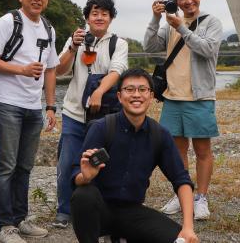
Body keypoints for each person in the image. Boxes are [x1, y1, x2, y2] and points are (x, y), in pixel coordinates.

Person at [70, 68, 199, 243]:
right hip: (99, 210)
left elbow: (182, 180)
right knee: (83, 195)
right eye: (129, 90)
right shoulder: (102, 128)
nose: (136, 95)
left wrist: (188, 228)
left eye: (142, 90)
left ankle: (120, 238)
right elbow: (76, 176)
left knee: (181, 240)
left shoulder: (159, 134)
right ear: (119, 96)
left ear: (152, 96)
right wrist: (85, 177)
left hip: (132, 212)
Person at [0, 0, 59, 243]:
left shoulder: (49, 28)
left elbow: (51, 70)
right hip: (6, 101)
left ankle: (20, 218)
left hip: (33, 106)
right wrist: (22, 69)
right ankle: (3, 227)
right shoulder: (7, 22)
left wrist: (50, 106)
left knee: (25, 166)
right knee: (6, 165)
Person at [143, 0, 223, 220]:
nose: (188, 1)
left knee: (202, 150)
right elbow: (149, 46)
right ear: (175, 2)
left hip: (199, 96)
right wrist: (156, 19)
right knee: (177, 150)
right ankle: (182, 192)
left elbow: (207, 49)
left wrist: (182, 28)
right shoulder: (169, 24)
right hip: (172, 97)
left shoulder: (212, 22)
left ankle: (201, 197)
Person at [53, 0, 129, 228]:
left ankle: (100, 209)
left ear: (111, 18)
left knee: (102, 162)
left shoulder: (119, 43)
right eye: (94, 13)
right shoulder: (75, 39)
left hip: (105, 116)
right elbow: (59, 70)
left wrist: (98, 92)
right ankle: (65, 211)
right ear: (87, 17)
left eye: (104, 14)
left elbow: (117, 72)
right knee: (67, 163)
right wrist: (73, 47)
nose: (99, 17)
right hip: (74, 112)